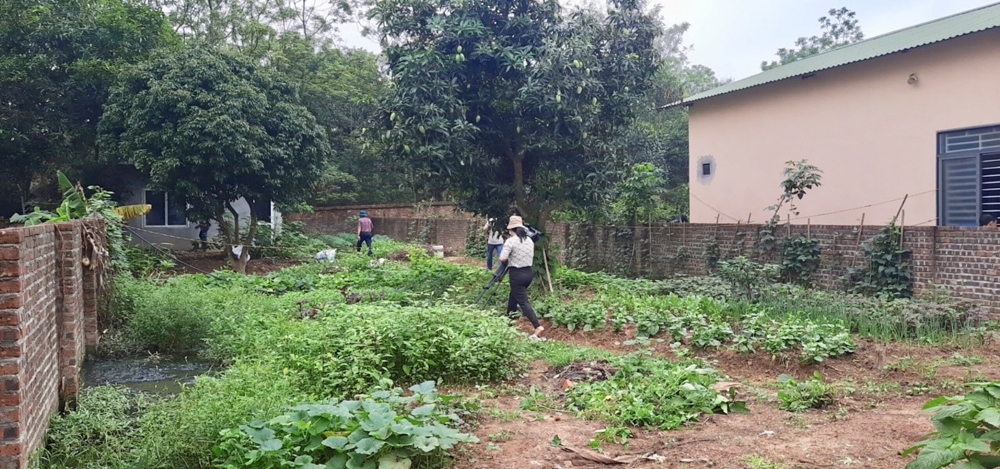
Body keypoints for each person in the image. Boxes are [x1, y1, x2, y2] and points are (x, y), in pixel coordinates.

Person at [499, 215, 544, 340]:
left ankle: (538, 326)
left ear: (510, 229)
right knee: (513, 296)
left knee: (523, 301)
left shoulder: (511, 241)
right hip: (528, 273)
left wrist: (506, 262)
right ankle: (508, 322)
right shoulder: (529, 240)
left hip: (516, 274)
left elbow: (502, 258)